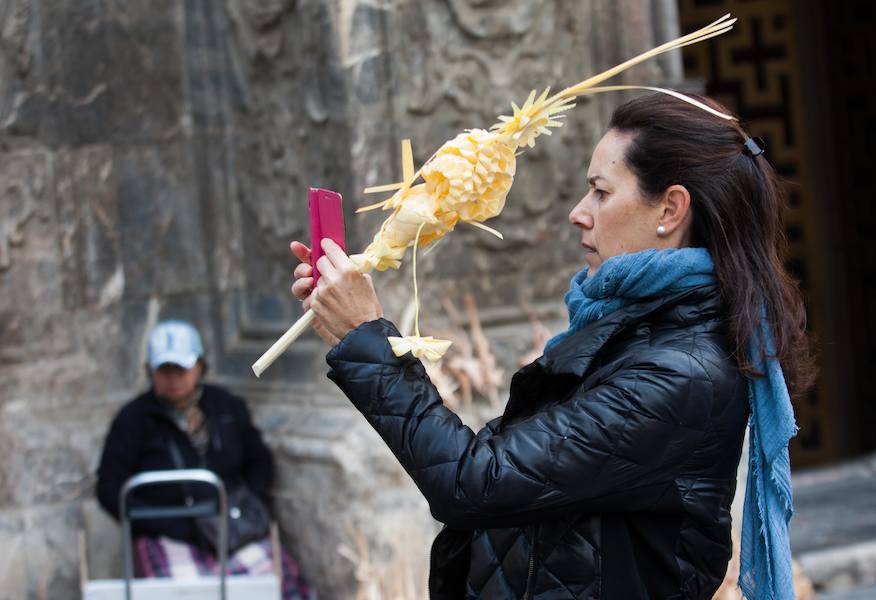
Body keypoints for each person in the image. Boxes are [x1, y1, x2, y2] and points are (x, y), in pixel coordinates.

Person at [291, 92, 815, 599]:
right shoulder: (628, 329)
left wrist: (370, 340)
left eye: (601, 192)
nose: (578, 212)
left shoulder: (681, 374)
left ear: (671, 209)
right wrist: (352, 331)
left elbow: (478, 480)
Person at [96, 319, 315, 600]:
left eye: (182, 369)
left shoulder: (226, 406)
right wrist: (154, 521)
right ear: (150, 372)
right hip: (169, 531)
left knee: (276, 587)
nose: (174, 379)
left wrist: (248, 505)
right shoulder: (133, 420)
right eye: (165, 370)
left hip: (232, 524)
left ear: (200, 366)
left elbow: (259, 461)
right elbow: (109, 488)